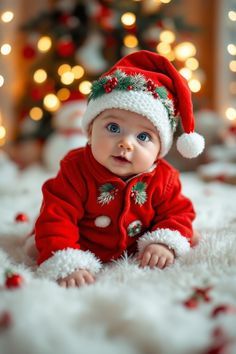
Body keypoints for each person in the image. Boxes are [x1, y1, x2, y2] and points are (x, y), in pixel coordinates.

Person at [31, 50, 204, 288]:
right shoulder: (75, 169)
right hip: (85, 248)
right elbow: (57, 217)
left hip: (133, 252)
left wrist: (164, 242)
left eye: (143, 136)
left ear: (159, 150)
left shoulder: (163, 178)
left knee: (187, 232)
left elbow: (178, 213)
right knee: (43, 234)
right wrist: (66, 259)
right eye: (113, 127)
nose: (126, 143)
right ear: (90, 131)